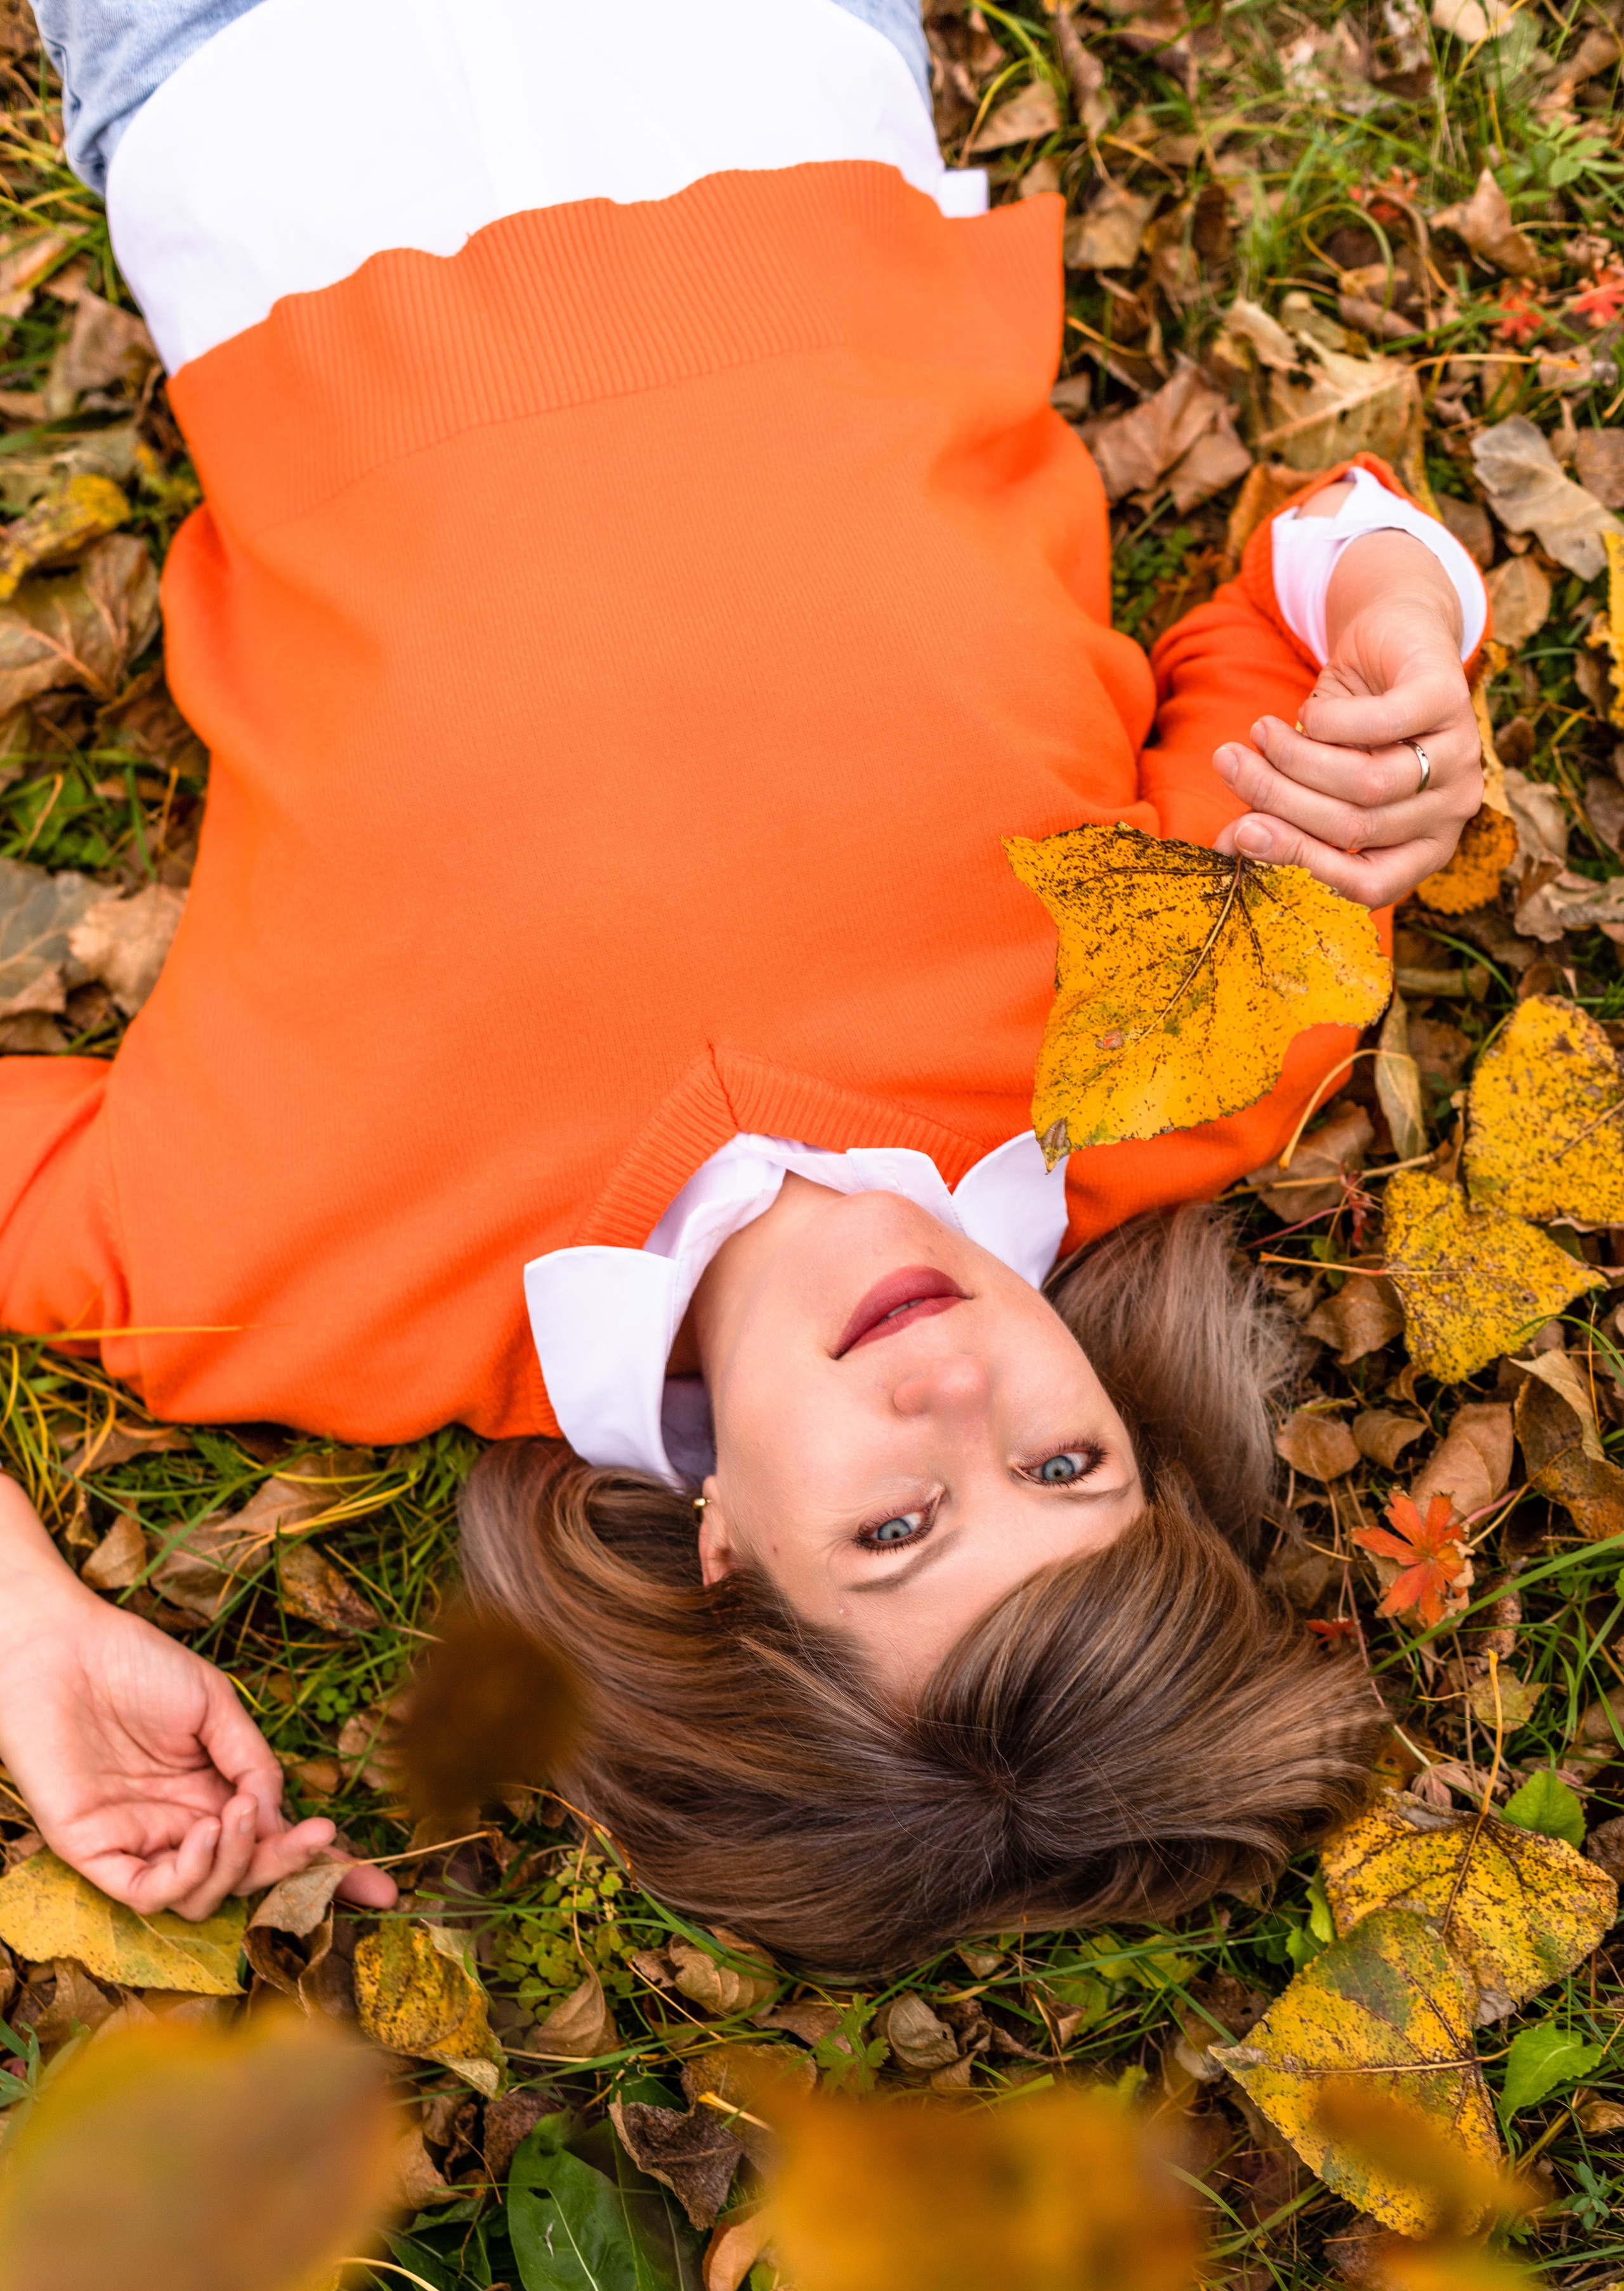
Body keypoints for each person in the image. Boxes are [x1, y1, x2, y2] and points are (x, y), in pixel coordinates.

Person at [0, 0, 1484, 1969]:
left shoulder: (296, 1279)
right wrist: (1403, 640)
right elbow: (1318, 559)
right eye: (1063, 1466)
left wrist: (23, 1628)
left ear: (722, 1565)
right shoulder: (1185, 1047)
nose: (958, 1390)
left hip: (238, 66)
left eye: (898, 1527)